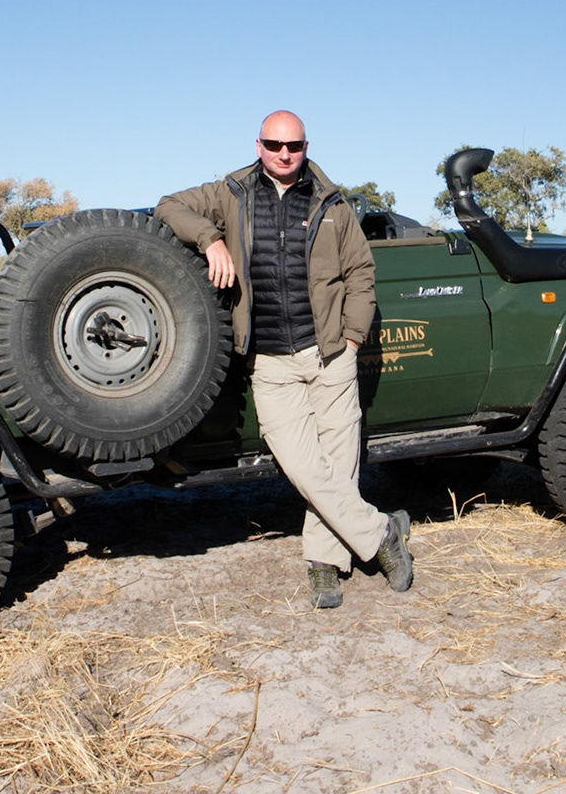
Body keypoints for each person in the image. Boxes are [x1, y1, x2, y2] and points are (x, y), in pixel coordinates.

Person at [154, 110, 413, 609]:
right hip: (269, 361)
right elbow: (168, 206)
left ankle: (323, 563)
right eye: (274, 144)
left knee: (338, 465)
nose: (284, 153)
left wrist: (353, 339)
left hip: (330, 353)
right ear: (258, 145)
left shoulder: (331, 201)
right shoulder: (231, 193)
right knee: (302, 465)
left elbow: (361, 272)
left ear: (306, 146)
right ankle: (382, 532)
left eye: (293, 145)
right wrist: (210, 239)